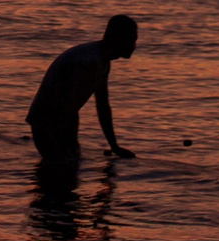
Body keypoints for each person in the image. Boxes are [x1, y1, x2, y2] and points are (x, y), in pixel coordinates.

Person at [25, 15, 139, 168]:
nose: (134, 45)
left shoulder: (101, 60)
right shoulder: (90, 62)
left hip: (54, 121)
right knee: (60, 173)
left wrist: (114, 146)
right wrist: (70, 141)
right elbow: (69, 106)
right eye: (131, 40)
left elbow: (103, 106)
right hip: (47, 123)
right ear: (117, 39)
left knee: (62, 173)